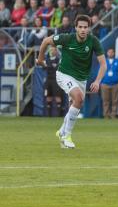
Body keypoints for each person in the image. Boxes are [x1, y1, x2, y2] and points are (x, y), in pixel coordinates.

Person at [36, 15, 106, 148]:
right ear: (76, 28)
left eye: (85, 27)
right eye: (80, 27)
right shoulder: (67, 38)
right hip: (64, 74)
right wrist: (40, 60)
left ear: (89, 28)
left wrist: (97, 81)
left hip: (81, 79)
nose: (83, 30)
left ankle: (62, 132)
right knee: (78, 99)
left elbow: (103, 64)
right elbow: (45, 41)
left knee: (75, 105)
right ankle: (67, 135)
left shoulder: (93, 41)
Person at [101, 48, 118, 119]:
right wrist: (100, 82)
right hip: (105, 84)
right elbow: (100, 72)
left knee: (115, 100)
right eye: (109, 52)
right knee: (105, 100)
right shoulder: (104, 61)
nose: (110, 53)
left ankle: (113, 115)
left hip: (116, 84)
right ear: (107, 53)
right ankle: (106, 115)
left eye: (112, 52)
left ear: (114, 53)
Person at [44, 46, 65, 117]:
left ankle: (59, 114)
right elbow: (46, 67)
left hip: (56, 80)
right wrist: (51, 66)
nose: (52, 51)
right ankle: (49, 115)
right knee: (48, 97)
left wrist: (51, 66)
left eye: (53, 50)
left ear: (56, 51)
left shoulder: (58, 60)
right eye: (50, 50)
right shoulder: (47, 59)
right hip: (48, 80)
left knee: (57, 97)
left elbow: (57, 68)